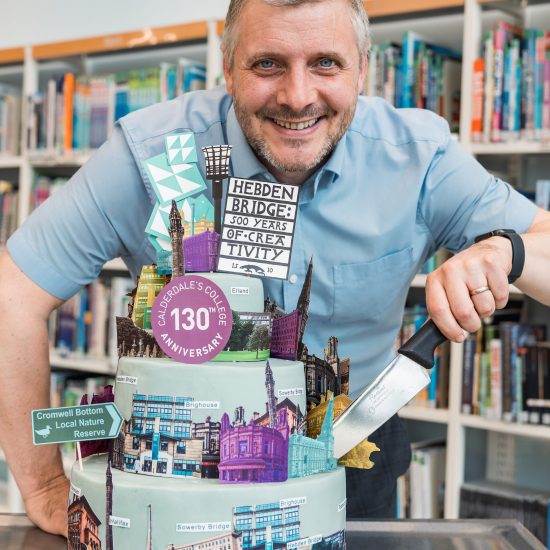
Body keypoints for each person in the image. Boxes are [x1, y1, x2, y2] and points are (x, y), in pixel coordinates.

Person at [1, 0, 550, 537]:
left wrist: (507, 251)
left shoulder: (418, 157)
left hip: (349, 454)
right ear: (228, 67)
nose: (297, 96)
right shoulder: (151, 156)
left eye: (326, 63)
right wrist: (45, 487)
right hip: (180, 474)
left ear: (363, 69)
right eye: (267, 64)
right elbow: (11, 298)